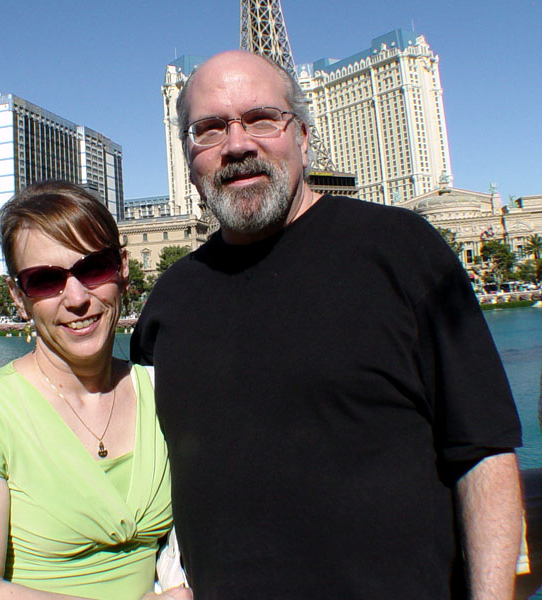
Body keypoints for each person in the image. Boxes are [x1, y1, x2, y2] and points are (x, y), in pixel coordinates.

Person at [131, 50, 524, 599]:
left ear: (303, 136)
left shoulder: (402, 250)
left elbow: (482, 451)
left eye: (262, 119)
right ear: (188, 156)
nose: (237, 144)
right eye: (210, 129)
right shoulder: (170, 300)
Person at [0, 181, 191, 600]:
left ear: (123, 269)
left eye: (94, 268)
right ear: (19, 297)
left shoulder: (162, 390)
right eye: (45, 280)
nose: (76, 298)